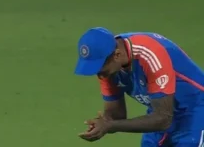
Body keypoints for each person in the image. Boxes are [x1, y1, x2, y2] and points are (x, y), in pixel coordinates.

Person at [74, 27, 204, 146]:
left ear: (117, 55)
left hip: (195, 107)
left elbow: (163, 119)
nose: (99, 75)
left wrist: (110, 125)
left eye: (100, 68)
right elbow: (116, 115)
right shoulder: (109, 66)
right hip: (160, 109)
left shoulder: (150, 54)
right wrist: (103, 123)